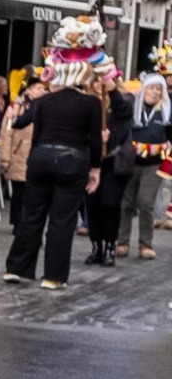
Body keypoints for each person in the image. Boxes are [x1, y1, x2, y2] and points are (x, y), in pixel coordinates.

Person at [3, 18, 108, 289]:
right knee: (62, 220)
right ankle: (53, 276)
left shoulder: (44, 101)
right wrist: (95, 169)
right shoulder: (91, 103)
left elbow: (32, 131)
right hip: (71, 160)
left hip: (40, 158)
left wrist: (35, 157)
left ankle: (17, 268)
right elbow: (94, 140)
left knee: (31, 215)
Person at [83, 68, 135, 268]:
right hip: (93, 160)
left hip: (115, 161)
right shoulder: (88, 103)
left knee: (110, 204)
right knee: (92, 204)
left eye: (102, 81)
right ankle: (97, 247)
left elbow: (124, 113)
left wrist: (113, 91)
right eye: (95, 81)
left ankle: (110, 246)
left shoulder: (124, 100)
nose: (99, 85)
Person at [118, 72, 167, 259]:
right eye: (151, 87)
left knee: (146, 202)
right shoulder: (133, 107)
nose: (154, 92)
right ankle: (122, 242)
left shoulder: (166, 111)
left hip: (154, 165)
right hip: (130, 162)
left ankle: (145, 244)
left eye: (158, 89)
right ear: (143, 88)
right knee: (127, 202)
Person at [0, 76, 48, 226]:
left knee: (32, 191)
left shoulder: (42, 106)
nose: (42, 91)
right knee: (20, 190)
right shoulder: (16, 106)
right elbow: (6, 133)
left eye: (43, 88)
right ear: (29, 90)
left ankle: (25, 221)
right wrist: (5, 157)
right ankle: (17, 221)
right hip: (19, 153)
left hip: (35, 152)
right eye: (38, 88)